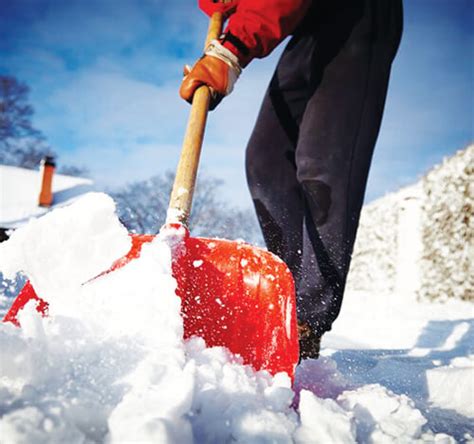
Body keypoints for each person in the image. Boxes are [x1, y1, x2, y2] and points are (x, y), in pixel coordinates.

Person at [180, 0, 403, 360]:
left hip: (358, 14)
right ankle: (288, 296)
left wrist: (232, 51)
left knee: (321, 162)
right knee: (265, 160)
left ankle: (306, 320)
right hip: (309, 27)